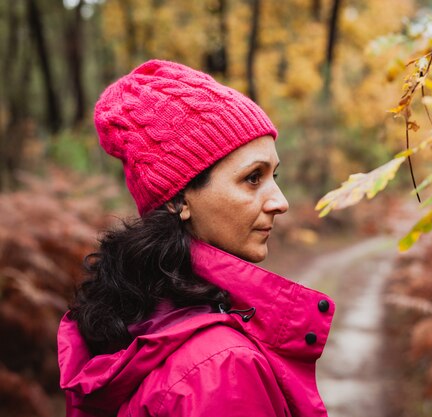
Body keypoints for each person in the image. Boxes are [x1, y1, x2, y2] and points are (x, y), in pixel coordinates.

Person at [57, 59, 335, 417]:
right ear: (178, 200)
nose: (280, 202)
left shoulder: (131, 317)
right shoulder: (222, 368)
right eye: (253, 178)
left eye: (274, 176)